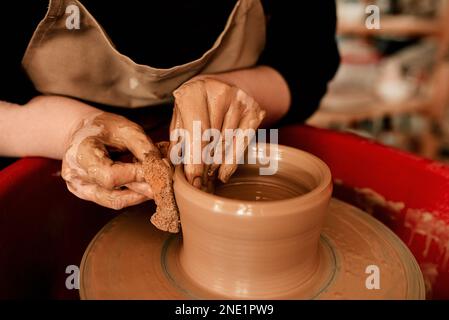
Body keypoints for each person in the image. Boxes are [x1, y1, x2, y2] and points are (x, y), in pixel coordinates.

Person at [0, 0, 340, 209]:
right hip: (48, 181)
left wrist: (234, 90)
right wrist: (71, 130)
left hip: (227, 169)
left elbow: (306, 67)